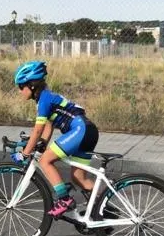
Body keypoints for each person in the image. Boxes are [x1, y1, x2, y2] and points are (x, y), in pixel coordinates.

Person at [11, 60, 99, 217]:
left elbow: (38, 130)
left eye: (21, 87)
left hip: (80, 130)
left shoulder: (44, 99)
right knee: (78, 178)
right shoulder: (46, 97)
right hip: (88, 131)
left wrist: (25, 153)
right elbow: (48, 126)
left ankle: (65, 200)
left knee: (45, 161)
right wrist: (43, 143)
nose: (19, 91)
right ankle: (102, 207)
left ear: (32, 85)